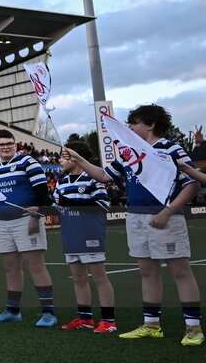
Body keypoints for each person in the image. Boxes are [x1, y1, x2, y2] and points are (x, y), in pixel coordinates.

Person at [63, 105, 201, 345]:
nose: (130, 128)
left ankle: (193, 328)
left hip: (165, 217)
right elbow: (106, 176)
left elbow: (191, 185)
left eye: (135, 123)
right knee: (147, 272)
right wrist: (81, 160)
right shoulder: (128, 151)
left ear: (151, 124)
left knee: (180, 271)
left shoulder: (171, 148)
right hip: (135, 217)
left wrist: (167, 212)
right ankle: (151, 324)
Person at [0, 130, 56, 327]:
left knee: (36, 266)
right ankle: (13, 311)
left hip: (27, 220)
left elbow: (42, 191)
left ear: (15, 145)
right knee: (11, 268)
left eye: (10, 143)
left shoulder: (28, 162)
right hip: (3, 223)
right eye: (1, 144)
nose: (6, 146)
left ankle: (48, 313)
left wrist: (36, 215)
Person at [55, 142, 116, 333]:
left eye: (64, 157)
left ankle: (108, 321)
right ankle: (85, 318)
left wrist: (71, 203)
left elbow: (103, 205)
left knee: (99, 277)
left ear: (75, 157)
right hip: (70, 235)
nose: (60, 161)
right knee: (78, 278)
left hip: (90, 234)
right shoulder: (61, 182)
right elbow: (57, 206)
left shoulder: (93, 179)